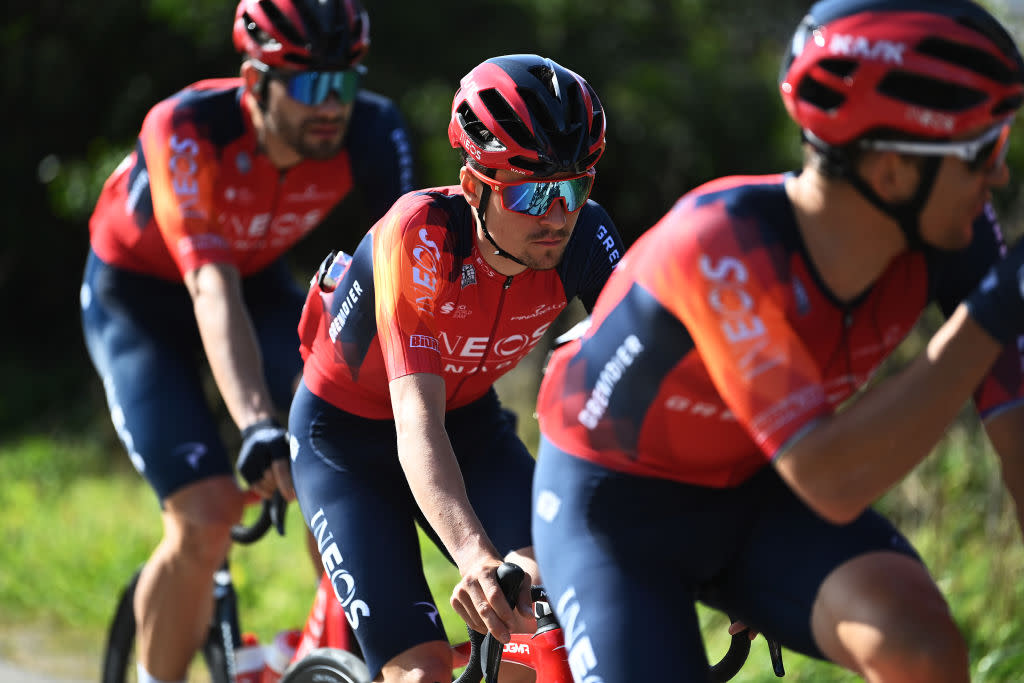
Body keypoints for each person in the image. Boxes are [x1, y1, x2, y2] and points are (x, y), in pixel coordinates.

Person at [530, 1, 1024, 681]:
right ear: (893, 173)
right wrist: (994, 313)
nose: (997, 175)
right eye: (985, 151)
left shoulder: (953, 223)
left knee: (918, 643)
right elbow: (830, 477)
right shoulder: (720, 243)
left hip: (753, 491)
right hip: (615, 512)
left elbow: (1015, 425)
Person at [80, 1, 415, 681]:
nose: (334, 105)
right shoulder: (187, 128)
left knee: (344, 465)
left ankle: (336, 646)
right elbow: (207, 284)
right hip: (143, 299)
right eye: (312, 84)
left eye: (346, 81)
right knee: (204, 520)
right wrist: (258, 424)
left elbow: (408, 271)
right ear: (253, 78)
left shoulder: (375, 132)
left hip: (258, 284)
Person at [288, 53, 624, 683]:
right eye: (532, 192)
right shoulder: (420, 236)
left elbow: (656, 385)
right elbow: (415, 419)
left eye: (574, 187)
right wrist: (472, 555)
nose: (558, 214)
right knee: (421, 670)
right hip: (349, 441)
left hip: (468, 426)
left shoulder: (584, 237)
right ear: (475, 189)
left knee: (547, 614)